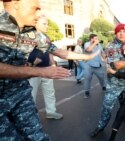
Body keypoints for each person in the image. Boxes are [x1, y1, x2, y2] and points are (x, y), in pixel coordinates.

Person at [0, 0, 99, 140]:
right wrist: (39, 71)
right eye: (36, 9)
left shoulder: (34, 33)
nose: (39, 14)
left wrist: (86, 57)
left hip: (19, 95)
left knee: (38, 137)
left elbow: (60, 52)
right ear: (16, 3)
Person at [90, 23, 125, 137]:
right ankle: (100, 127)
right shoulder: (111, 47)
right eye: (119, 32)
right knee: (107, 107)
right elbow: (116, 65)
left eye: (124, 32)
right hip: (114, 85)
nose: (122, 34)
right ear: (116, 33)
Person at [28, 15, 63, 120]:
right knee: (30, 94)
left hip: (47, 69)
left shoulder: (46, 37)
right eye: (44, 23)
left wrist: (52, 63)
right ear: (36, 23)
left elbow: (50, 52)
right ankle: (29, 116)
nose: (47, 26)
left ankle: (51, 112)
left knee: (50, 92)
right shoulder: (29, 35)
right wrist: (31, 62)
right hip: (34, 70)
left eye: (47, 23)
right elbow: (22, 52)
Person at [83, 33, 106, 98]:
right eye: (96, 38)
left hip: (98, 65)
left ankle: (103, 86)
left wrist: (104, 56)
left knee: (101, 78)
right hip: (88, 65)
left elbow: (102, 53)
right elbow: (88, 50)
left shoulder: (100, 45)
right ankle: (87, 92)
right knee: (87, 79)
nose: (97, 40)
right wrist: (94, 43)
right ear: (91, 39)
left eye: (97, 38)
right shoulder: (87, 44)